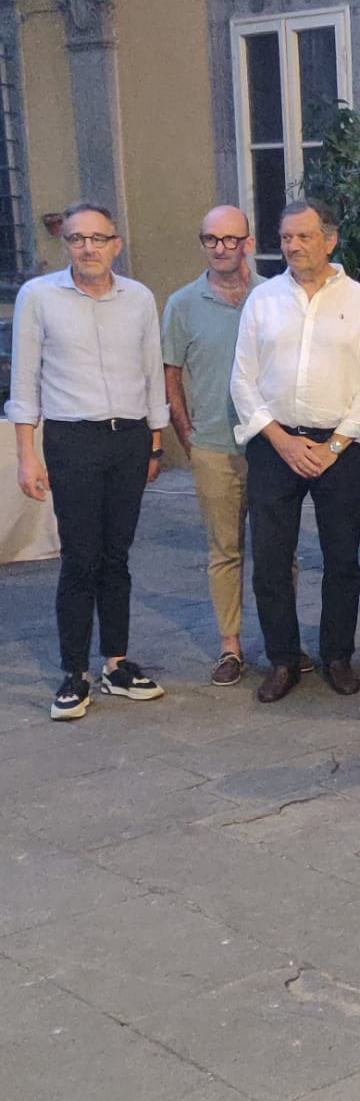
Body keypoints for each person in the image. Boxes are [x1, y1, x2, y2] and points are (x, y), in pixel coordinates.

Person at [7, 200, 168, 719]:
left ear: (115, 245)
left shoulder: (138, 298)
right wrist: (26, 456)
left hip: (129, 439)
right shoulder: (39, 297)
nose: (88, 248)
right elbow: (24, 381)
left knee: (117, 556)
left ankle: (116, 663)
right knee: (80, 558)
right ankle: (74, 672)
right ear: (66, 245)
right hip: (72, 440)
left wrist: (156, 441)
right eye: (77, 239)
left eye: (98, 238)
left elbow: (151, 371)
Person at [231, 197, 360, 702]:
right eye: (286, 237)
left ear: (330, 240)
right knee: (270, 560)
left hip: (340, 448)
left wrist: (333, 446)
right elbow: (242, 380)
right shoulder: (262, 300)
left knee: (342, 559)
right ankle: (282, 659)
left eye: (303, 236)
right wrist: (281, 440)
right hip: (274, 445)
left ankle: (337, 656)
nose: (293, 246)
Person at [161, 204, 264, 686]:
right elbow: (170, 375)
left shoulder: (272, 296)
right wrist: (187, 435)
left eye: (230, 239)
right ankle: (230, 646)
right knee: (224, 549)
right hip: (213, 447)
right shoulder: (183, 304)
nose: (221, 248)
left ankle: (282, 642)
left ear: (248, 242)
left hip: (270, 446)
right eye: (211, 239)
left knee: (277, 551)